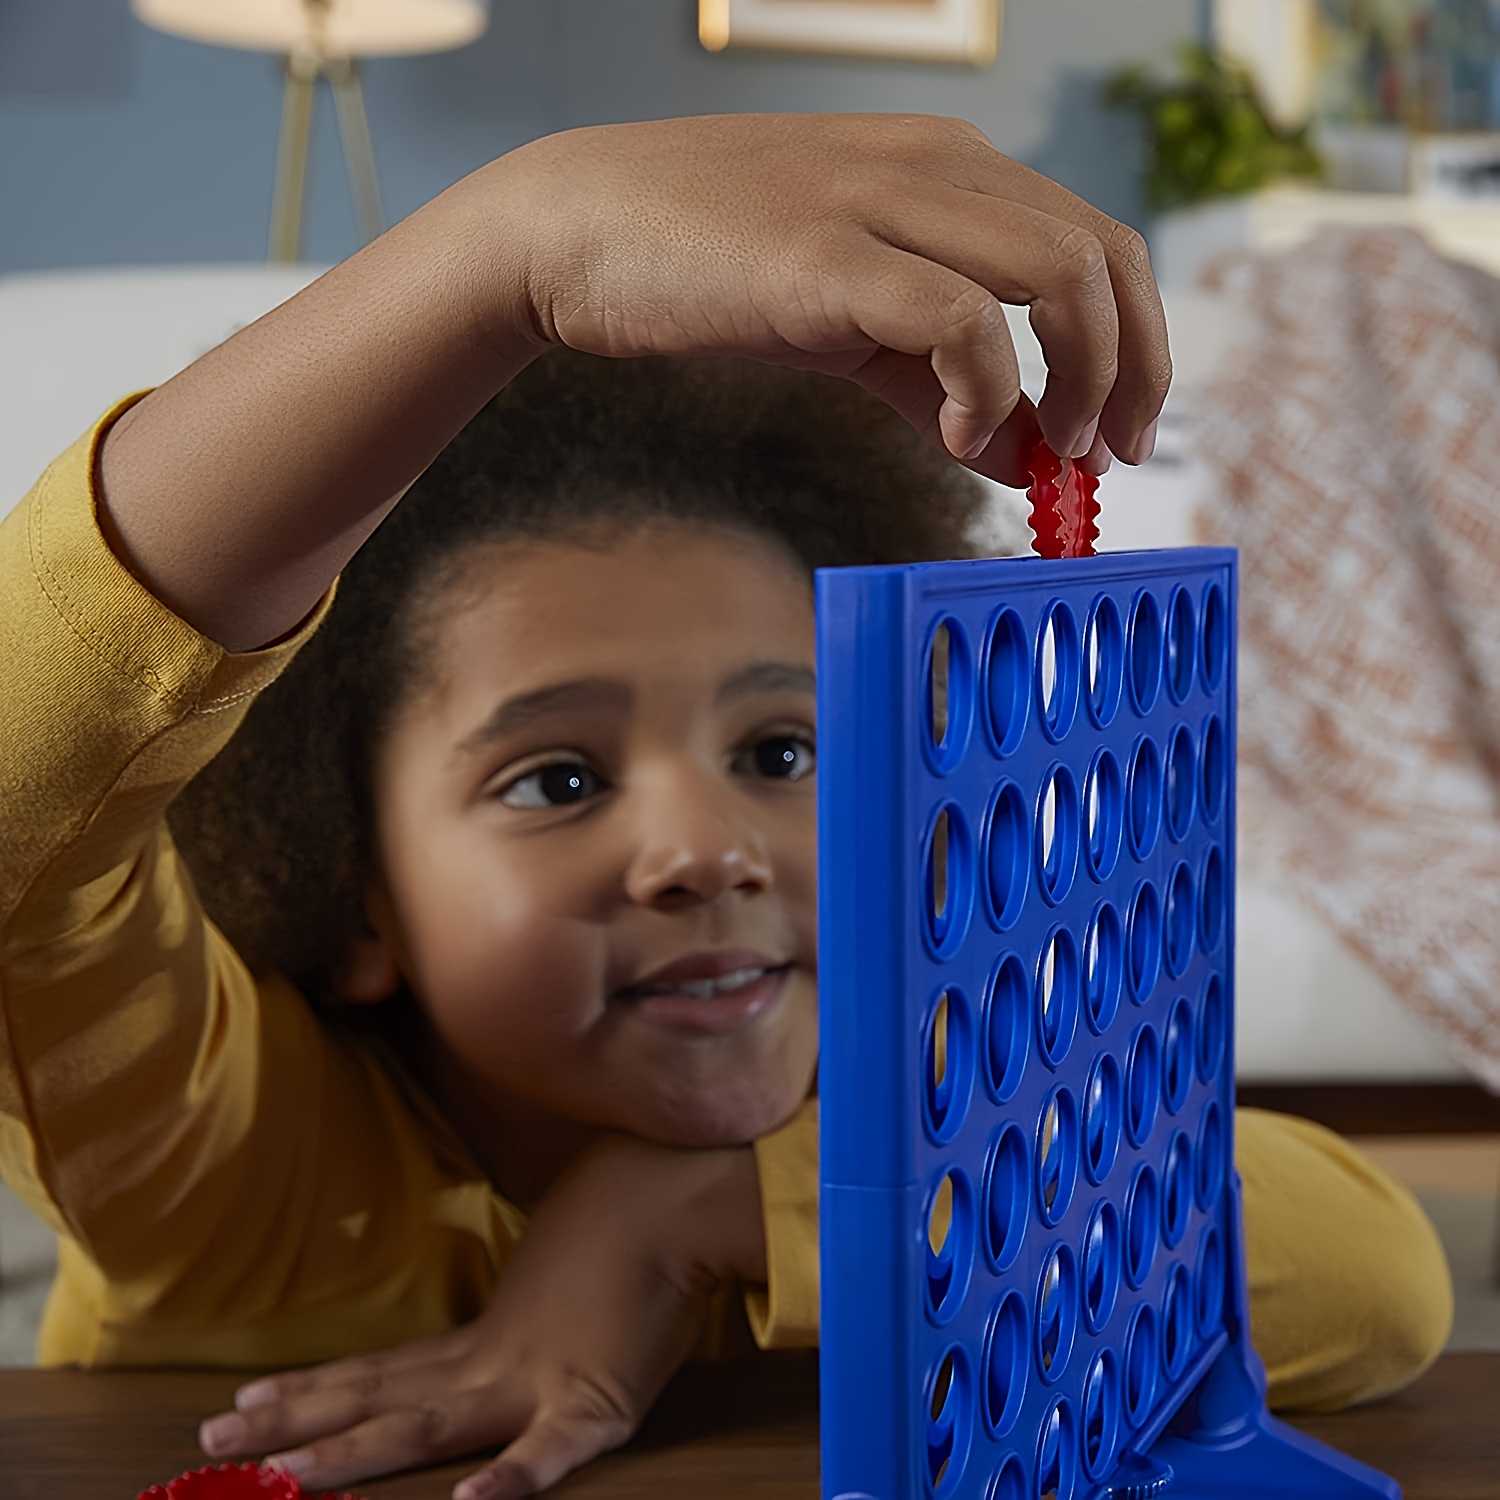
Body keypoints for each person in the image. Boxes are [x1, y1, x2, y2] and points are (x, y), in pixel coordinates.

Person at [0, 116, 1450, 1500]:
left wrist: (684, 1214)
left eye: (783, 752)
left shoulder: (909, 1082)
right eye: (556, 780)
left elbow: (1374, 1273)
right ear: (357, 885)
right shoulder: (224, 1162)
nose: (709, 851)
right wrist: (513, 246)